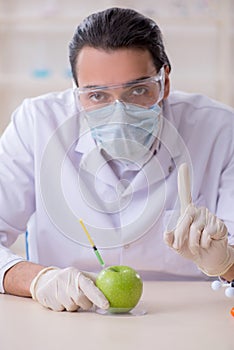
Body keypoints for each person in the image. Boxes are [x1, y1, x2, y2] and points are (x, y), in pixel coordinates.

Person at [0, 7, 234, 312]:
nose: (120, 113)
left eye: (138, 90)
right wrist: (37, 279)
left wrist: (226, 261)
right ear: (76, 90)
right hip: (67, 316)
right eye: (97, 96)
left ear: (164, 81)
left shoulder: (220, 129)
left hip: (193, 316)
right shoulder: (36, 123)